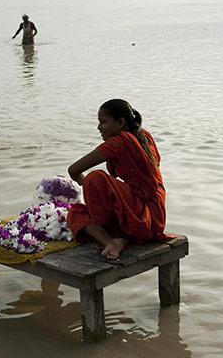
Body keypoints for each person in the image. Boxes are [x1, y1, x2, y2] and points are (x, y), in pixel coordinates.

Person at [67, 99, 167, 259]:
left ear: (120, 122)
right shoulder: (144, 135)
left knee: (94, 180)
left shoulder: (117, 142)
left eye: (103, 122)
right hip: (157, 219)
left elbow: (73, 170)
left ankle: (110, 240)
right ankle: (116, 237)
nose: (99, 127)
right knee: (79, 212)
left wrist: (94, 191)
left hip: (143, 222)